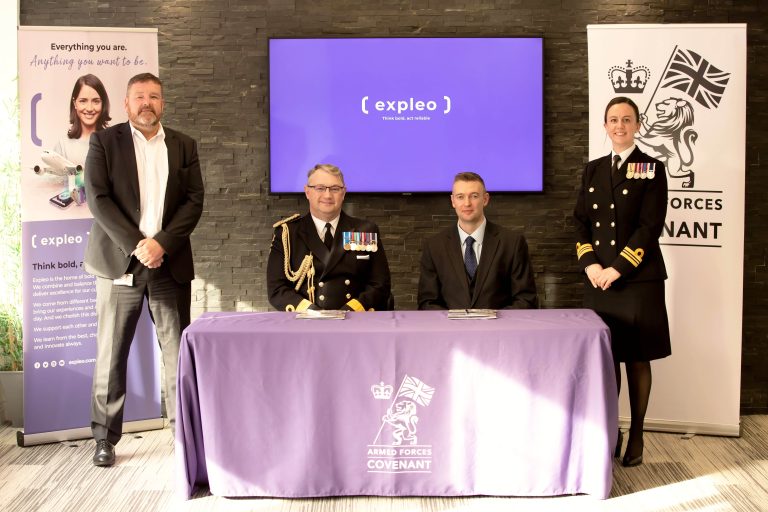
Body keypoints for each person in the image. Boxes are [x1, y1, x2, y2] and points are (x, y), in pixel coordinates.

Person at [83, 72, 205, 467]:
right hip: (121, 263)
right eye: (139, 96)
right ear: (126, 103)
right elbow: (99, 200)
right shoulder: (104, 141)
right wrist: (139, 244)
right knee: (112, 354)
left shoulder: (184, 144)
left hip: (168, 264)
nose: (147, 103)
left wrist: (162, 244)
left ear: (163, 103)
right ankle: (104, 438)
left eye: (154, 96)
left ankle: (183, 434)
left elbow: (193, 201)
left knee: (177, 354)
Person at [573, 96, 671, 467]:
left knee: (637, 356)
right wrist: (590, 266)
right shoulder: (593, 170)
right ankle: (610, 429)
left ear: (637, 125)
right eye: (613, 120)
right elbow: (580, 221)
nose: (619, 126)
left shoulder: (650, 168)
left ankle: (639, 432)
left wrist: (617, 268)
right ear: (604, 126)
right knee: (607, 356)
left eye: (626, 120)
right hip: (599, 279)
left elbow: (649, 227)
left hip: (637, 279)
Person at [267, 164, 391, 312]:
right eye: (320, 188)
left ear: (343, 193)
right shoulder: (287, 234)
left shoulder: (364, 231)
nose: (327, 195)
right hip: (306, 321)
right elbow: (277, 288)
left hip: (355, 320)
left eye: (334, 189)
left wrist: (351, 311)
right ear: (307, 192)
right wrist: (311, 311)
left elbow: (380, 284)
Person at [418, 171, 538, 310]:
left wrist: (495, 323)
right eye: (460, 197)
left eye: (474, 196)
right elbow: (427, 302)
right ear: (453, 201)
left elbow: (526, 299)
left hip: (499, 330)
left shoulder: (513, 243)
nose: (467, 203)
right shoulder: (434, 246)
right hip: (451, 330)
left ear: (485, 199)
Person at [54, 73, 112, 166]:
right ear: (75, 103)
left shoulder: (112, 144)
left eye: (96, 101)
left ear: (103, 103)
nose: (89, 108)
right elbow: (53, 179)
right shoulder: (63, 146)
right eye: (83, 101)